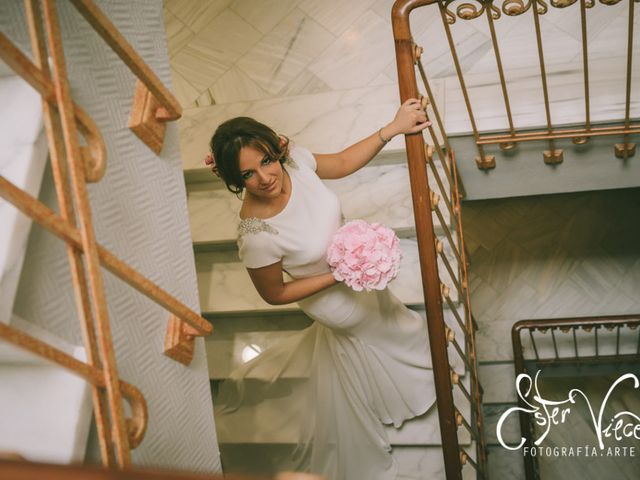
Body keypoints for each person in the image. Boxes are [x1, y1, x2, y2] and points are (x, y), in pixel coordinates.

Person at [205, 99, 436, 480]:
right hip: (331, 298)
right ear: (235, 181)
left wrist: (392, 128)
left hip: (355, 275)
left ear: (274, 151)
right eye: (247, 174)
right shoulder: (256, 235)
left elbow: (343, 163)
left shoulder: (294, 162)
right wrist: (339, 274)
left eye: (266, 161)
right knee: (384, 331)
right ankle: (417, 387)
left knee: (393, 321)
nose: (264, 177)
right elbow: (275, 293)